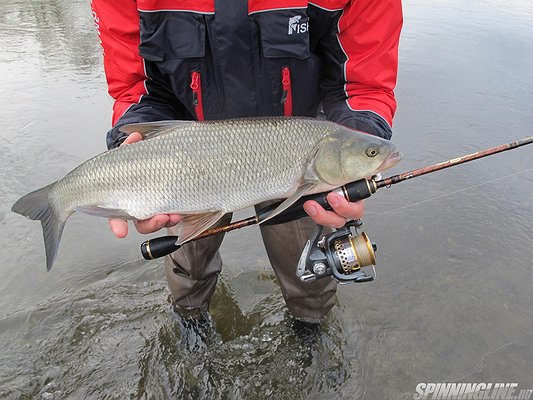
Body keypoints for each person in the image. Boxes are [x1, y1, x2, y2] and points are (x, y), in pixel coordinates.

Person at [90, 0, 402, 323]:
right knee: (187, 275)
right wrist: (131, 153)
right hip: (185, 157)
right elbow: (134, 84)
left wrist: (360, 143)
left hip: (296, 149)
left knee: (310, 276)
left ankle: (308, 330)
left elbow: (364, 81)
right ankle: (190, 327)